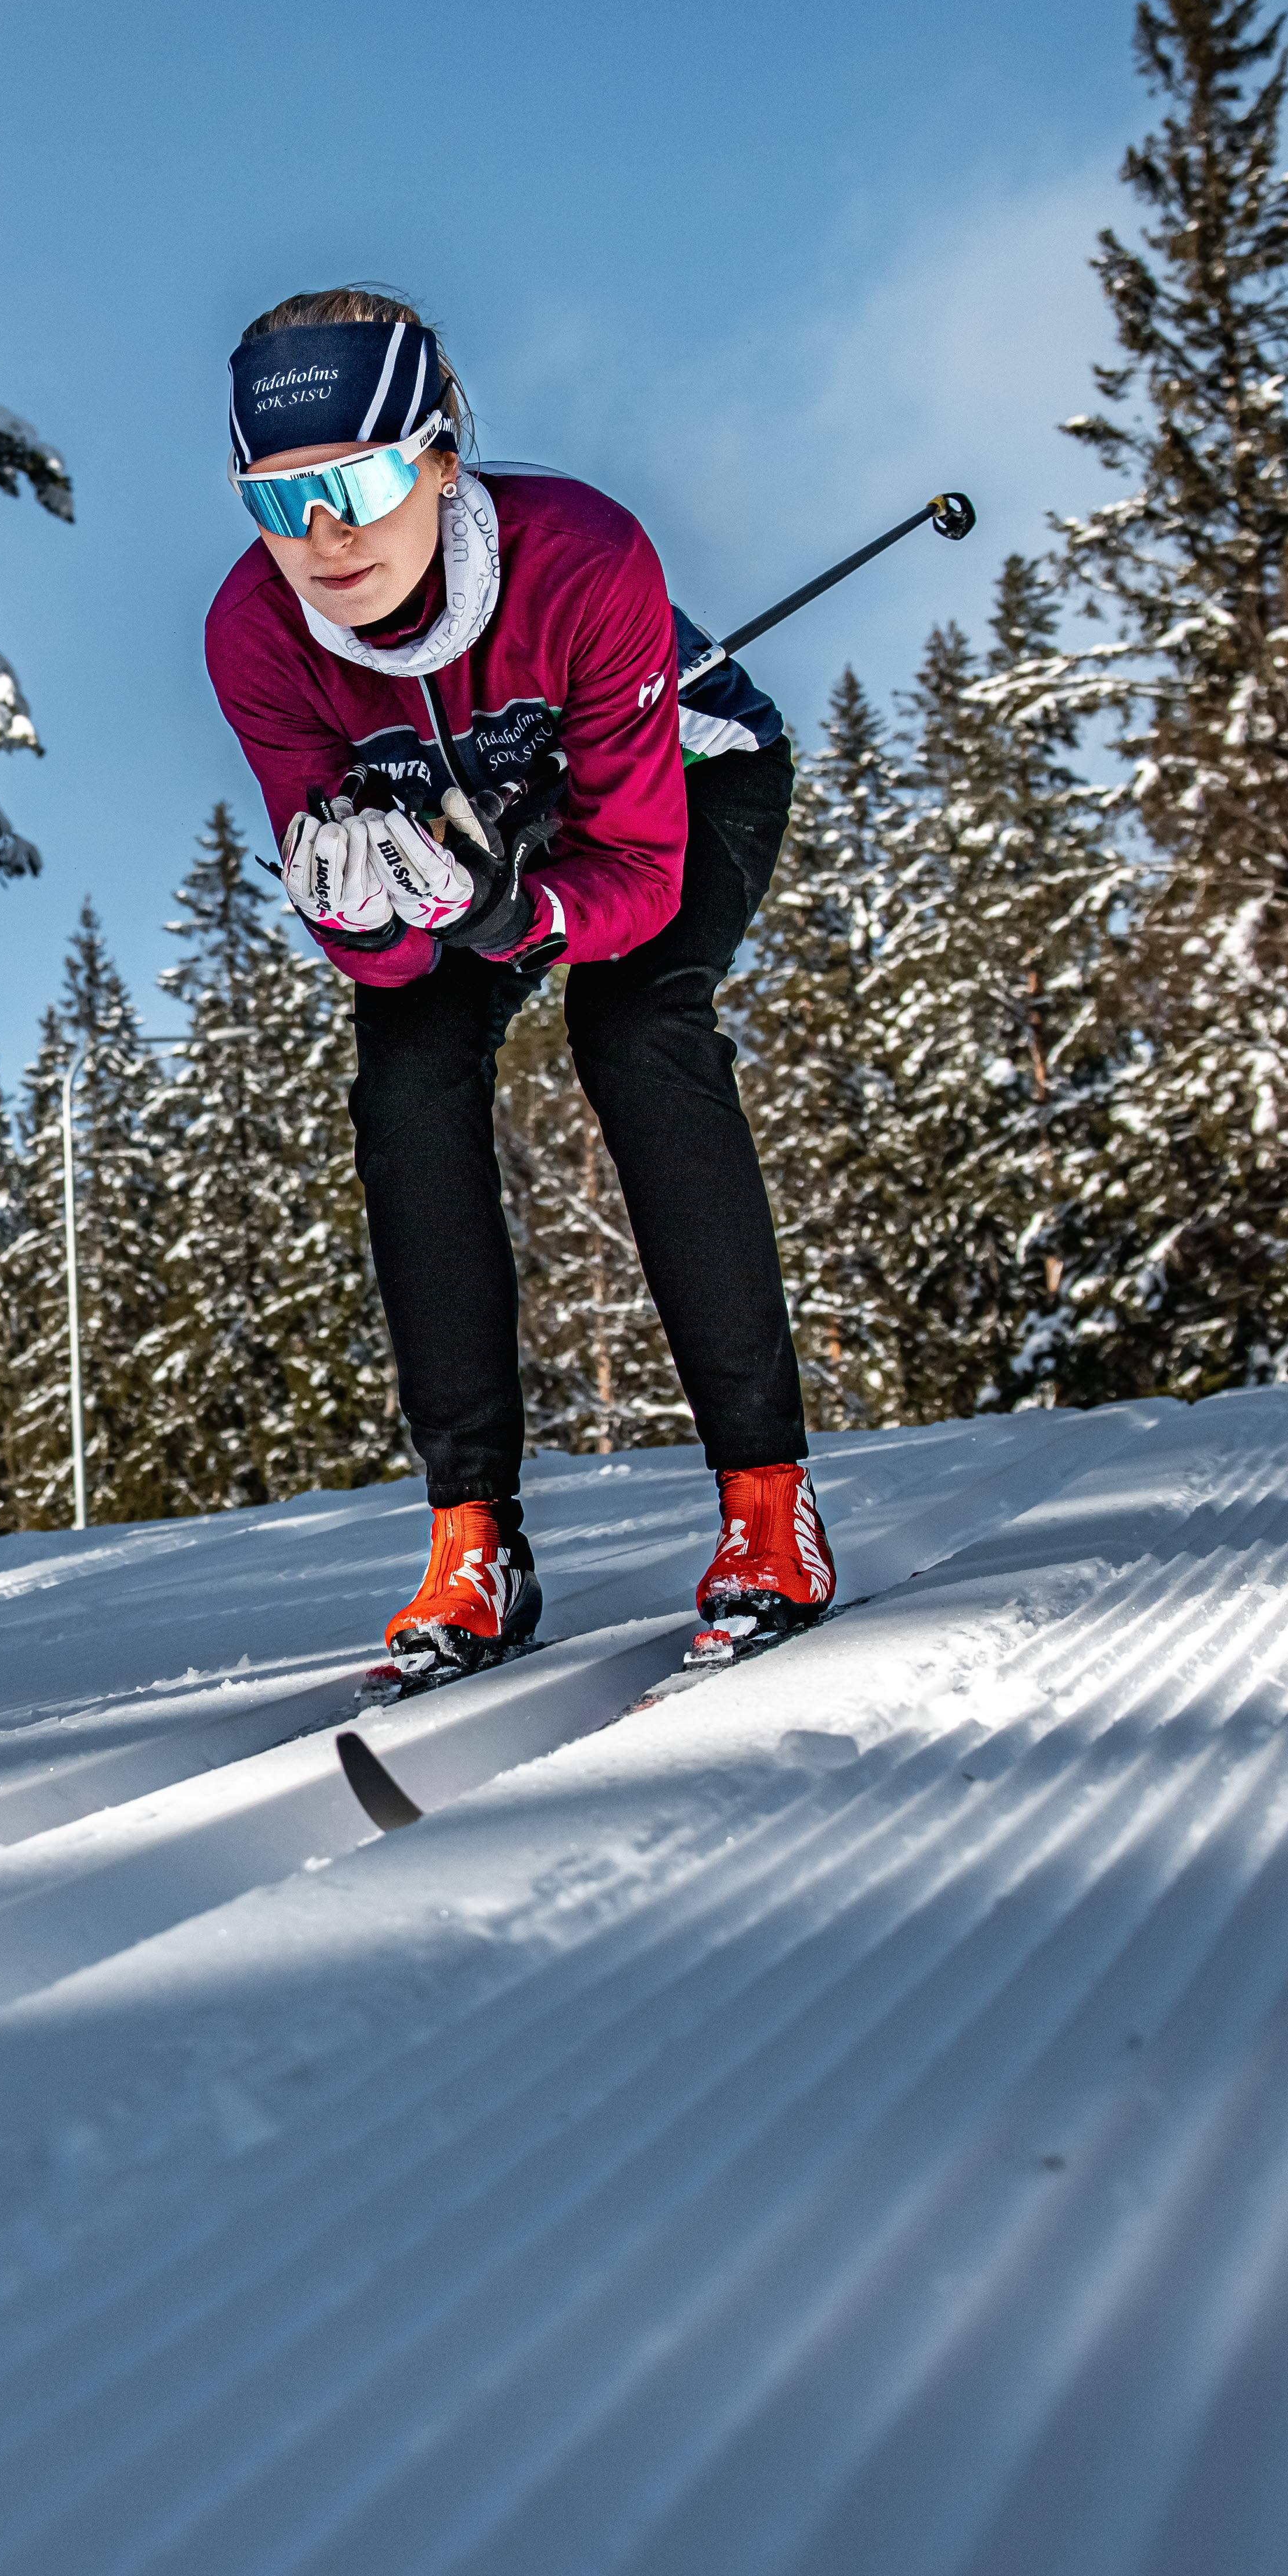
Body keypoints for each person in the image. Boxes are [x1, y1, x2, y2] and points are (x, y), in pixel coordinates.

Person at [201, 289, 833, 1687]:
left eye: (362, 481)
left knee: (636, 1027)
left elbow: (641, 876)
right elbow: (377, 954)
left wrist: (513, 907)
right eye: (278, 497)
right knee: (407, 1082)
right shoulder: (257, 633)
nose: (327, 536)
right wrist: (366, 917)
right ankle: (473, 1534)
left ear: (441, 456)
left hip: (674, 801)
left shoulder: (579, 556)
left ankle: (767, 1502)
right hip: (467, 853)